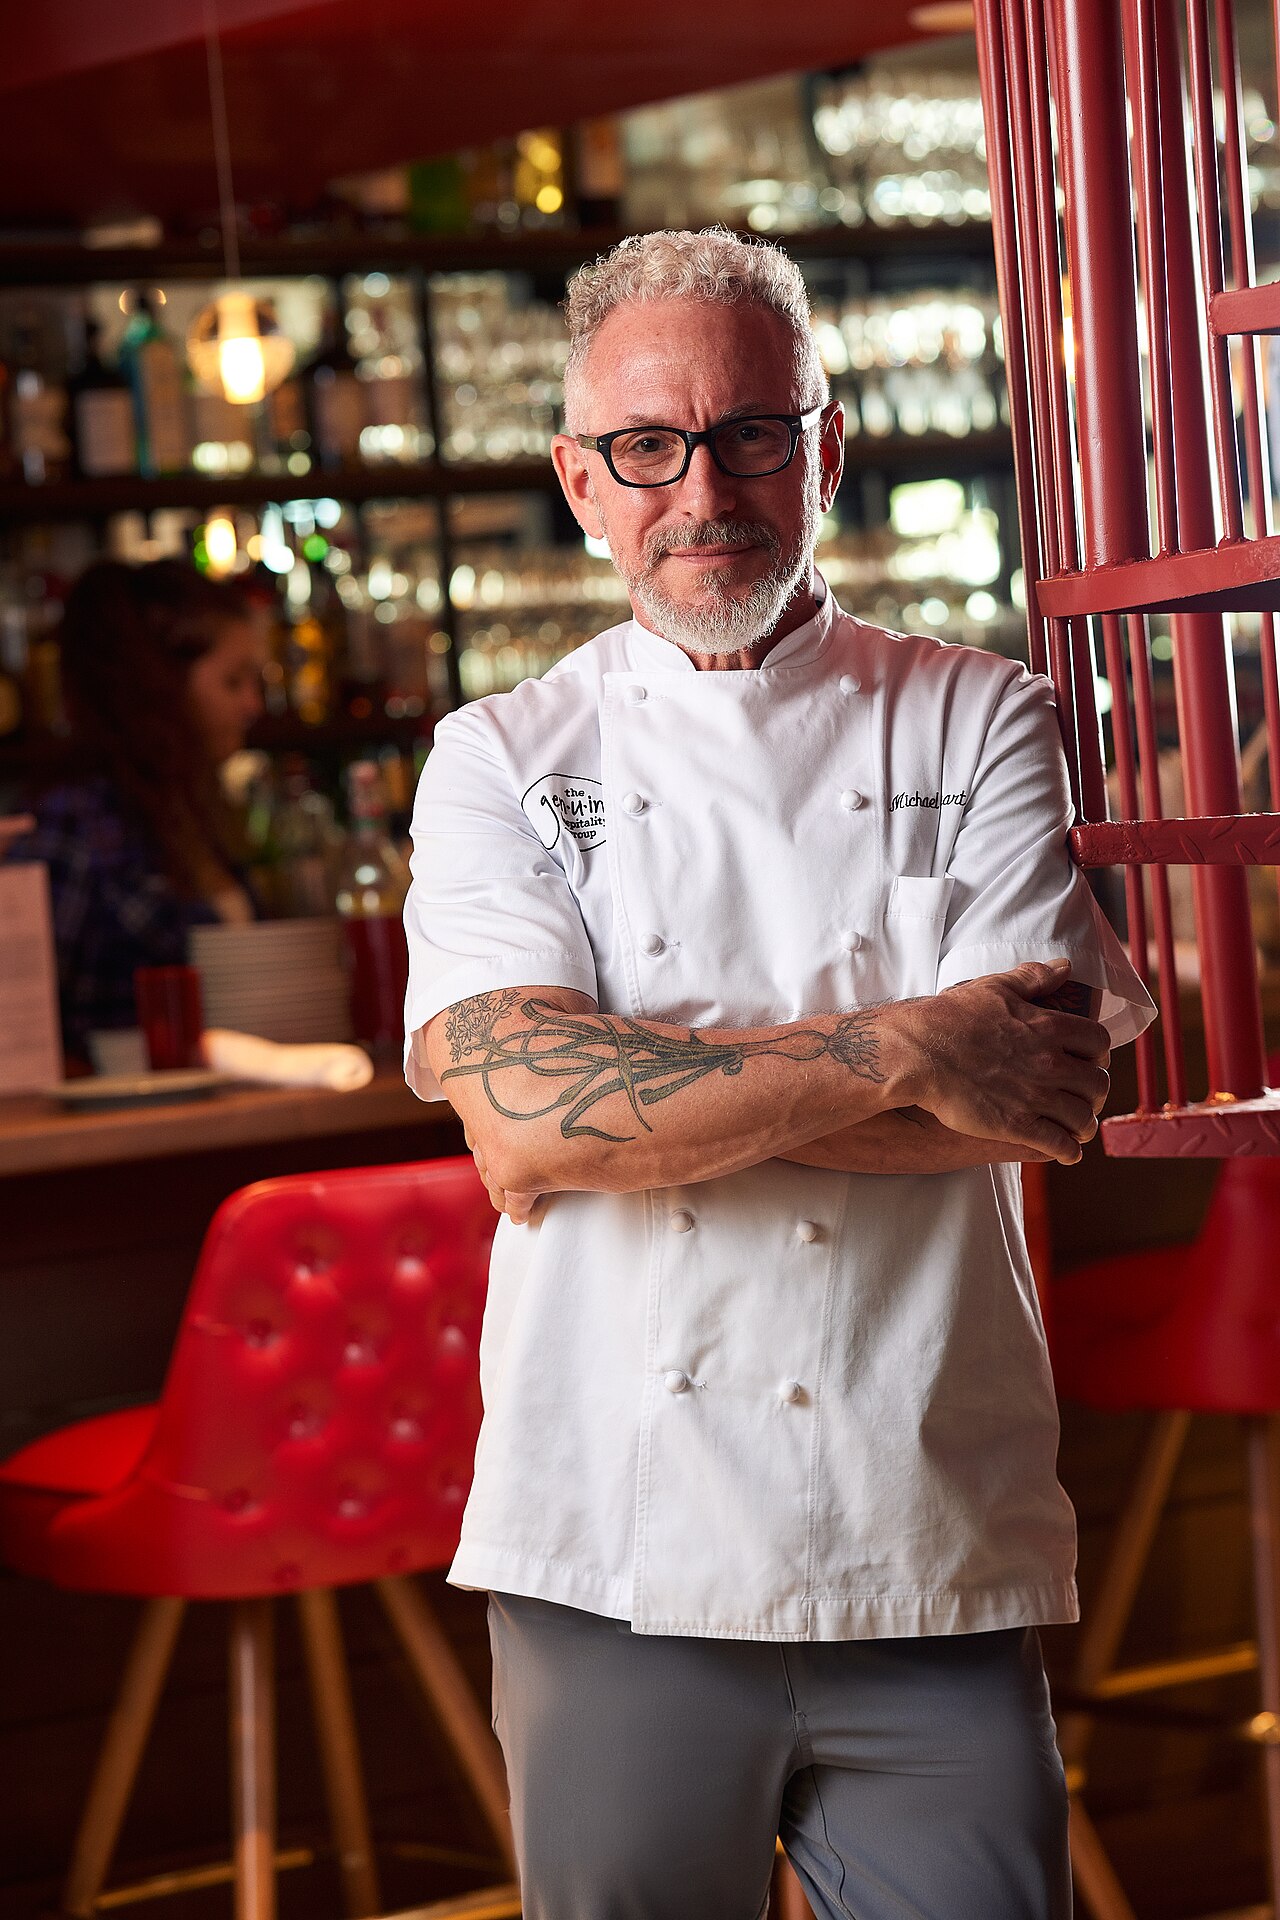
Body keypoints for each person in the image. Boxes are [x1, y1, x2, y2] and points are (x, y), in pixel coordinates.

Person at [402, 229, 1154, 1920]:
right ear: (578, 483)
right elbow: (522, 1121)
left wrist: (630, 1109)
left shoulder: (979, 718)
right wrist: (907, 1048)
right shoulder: (500, 758)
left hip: (928, 1524)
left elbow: (1040, 1098)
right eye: (645, 447)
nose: (704, 490)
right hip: (615, 1541)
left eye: (750, 433)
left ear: (826, 448)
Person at [9, 559, 264, 1067]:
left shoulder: (191, 811)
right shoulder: (74, 818)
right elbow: (24, 1020)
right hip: (128, 1104)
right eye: (233, 682)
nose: (253, 704)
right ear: (162, 687)